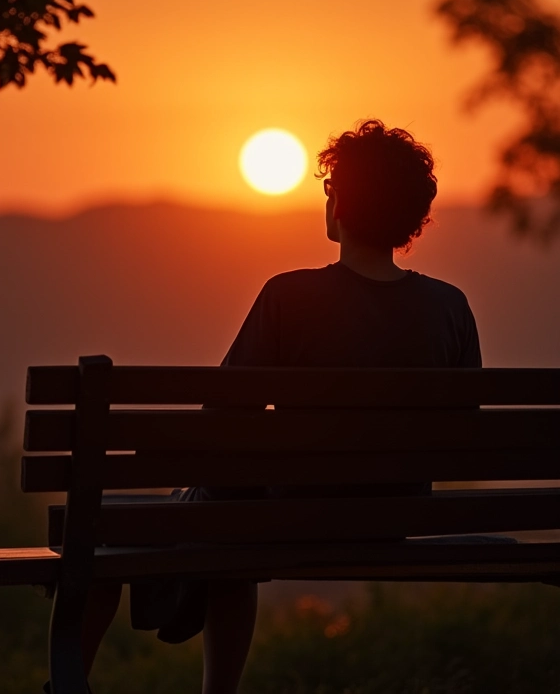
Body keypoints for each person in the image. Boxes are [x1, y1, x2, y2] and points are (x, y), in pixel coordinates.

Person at [67, 118, 482, 694]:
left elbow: (223, 416)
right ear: (412, 215)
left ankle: (68, 684)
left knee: (154, 514)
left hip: (286, 513)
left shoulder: (290, 296)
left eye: (332, 188)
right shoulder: (451, 308)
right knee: (227, 507)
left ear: (341, 205)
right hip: (395, 516)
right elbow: (463, 436)